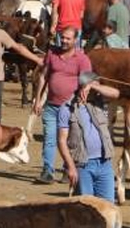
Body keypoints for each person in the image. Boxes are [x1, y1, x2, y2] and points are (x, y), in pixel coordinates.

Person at [57, 72, 125, 228]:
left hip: (104, 163)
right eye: (92, 84)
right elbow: (62, 141)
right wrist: (70, 167)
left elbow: (116, 93)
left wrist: (93, 86)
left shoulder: (98, 100)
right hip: (82, 164)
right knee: (85, 209)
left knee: (109, 207)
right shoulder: (67, 108)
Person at [32, 26, 91, 185]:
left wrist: (85, 89)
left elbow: (87, 80)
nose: (64, 41)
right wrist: (38, 99)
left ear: (75, 40)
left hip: (71, 107)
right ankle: (47, 171)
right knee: (49, 138)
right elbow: (43, 77)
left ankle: (67, 169)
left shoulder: (82, 58)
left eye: (68, 38)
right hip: (51, 105)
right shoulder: (52, 54)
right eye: (62, 37)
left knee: (71, 141)